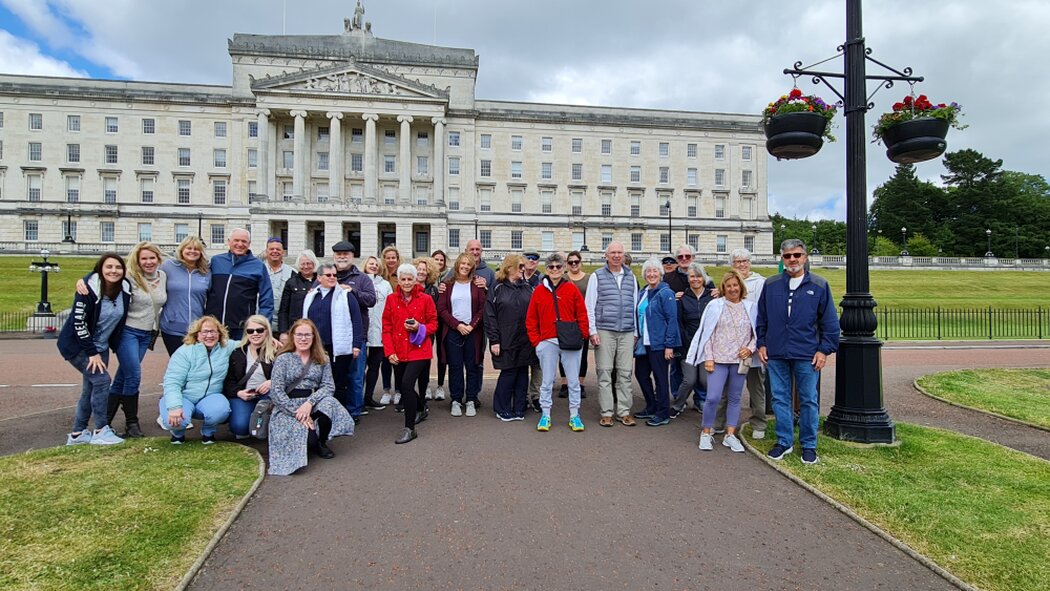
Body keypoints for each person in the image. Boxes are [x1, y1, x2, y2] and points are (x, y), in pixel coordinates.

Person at [757, 239, 840, 464]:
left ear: (804, 257)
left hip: (806, 352)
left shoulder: (819, 285)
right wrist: (762, 343)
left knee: (808, 400)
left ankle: (809, 444)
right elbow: (762, 317)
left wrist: (824, 350)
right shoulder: (772, 284)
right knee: (780, 398)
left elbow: (830, 322)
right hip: (777, 351)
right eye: (787, 256)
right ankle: (784, 441)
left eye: (796, 255)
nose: (792, 260)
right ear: (781, 259)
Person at [58, 253, 133, 446]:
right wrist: (92, 353)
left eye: (118, 267)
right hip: (78, 346)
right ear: (100, 269)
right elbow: (79, 323)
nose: (113, 271)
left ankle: (77, 434)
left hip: (101, 347)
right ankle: (101, 430)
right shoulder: (87, 289)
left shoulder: (125, 288)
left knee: (89, 388)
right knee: (102, 381)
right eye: (108, 267)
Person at [268, 319, 355, 475]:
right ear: (292, 336)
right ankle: (312, 438)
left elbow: (329, 386)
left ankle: (322, 441)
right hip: (287, 406)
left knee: (330, 403)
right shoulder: (283, 359)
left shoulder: (322, 359)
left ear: (314, 337)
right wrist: (298, 413)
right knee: (308, 441)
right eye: (299, 335)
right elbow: (276, 392)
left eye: (308, 335)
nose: (303, 339)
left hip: (310, 402)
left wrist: (310, 403)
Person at [686, 270, 757, 453]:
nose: (732, 289)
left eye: (735, 285)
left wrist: (750, 348)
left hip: (739, 360)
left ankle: (730, 434)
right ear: (723, 288)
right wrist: (708, 357)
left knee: (735, 398)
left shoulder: (750, 307)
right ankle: (706, 432)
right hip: (717, 359)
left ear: (741, 287)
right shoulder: (715, 305)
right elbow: (707, 334)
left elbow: (757, 333)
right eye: (728, 286)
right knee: (713, 397)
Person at [106, 242, 167, 438]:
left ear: (158, 259)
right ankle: (132, 423)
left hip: (147, 334)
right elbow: (104, 279)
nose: (148, 262)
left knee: (122, 377)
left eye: (152, 258)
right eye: (144, 259)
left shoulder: (163, 276)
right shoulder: (129, 277)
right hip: (128, 331)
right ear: (137, 261)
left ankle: (104, 421)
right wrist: (83, 281)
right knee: (133, 375)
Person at [526, 252, 590, 432]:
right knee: (547, 381)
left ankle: (574, 415)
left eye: (559, 267)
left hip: (570, 341)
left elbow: (582, 314)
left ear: (564, 269)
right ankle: (545, 414)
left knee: (573, 381)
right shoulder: (539, 291)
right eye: (551, 267)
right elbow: (531, 318)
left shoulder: (571, 289)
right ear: (546, 269)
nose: (555, 270)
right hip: (547, 341)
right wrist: (536, 342)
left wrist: (582, 335)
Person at [712, 248, 768, 438]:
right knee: (725, 390)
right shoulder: (727, 283)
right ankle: (719, 423)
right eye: (737, 262)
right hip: (729, 350)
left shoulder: (760, 283)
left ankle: (759, 423)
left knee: (756, 388)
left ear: (750, 263)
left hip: (751, 345)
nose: (741, 264)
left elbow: (763, 314)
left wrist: (757, 344)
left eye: (745, 261)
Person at [382, 264, 438, 444]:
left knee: (406, 385)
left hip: (419, 350)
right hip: (398, 351)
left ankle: (410, 428)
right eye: (403, 279)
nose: (406, 283)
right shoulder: (391, 299)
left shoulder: (426, 299)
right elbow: (387, 328)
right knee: (402, 384)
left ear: (416, 280)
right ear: (398, 280)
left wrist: (419, 327)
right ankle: (421, 408)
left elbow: (434, 324)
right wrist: (389, 351)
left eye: (410, 279)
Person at [585, 242, 639, 427]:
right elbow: (589, 306)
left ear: (624, 256)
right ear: (606, 255)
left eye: (619, 253)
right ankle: (607, 412)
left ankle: (624, 411)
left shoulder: (631, 277)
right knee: (605, 372)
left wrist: (636, 331)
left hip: (626, 330)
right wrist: (593, 331)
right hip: (605, 329)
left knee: (625, 373)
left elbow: (634, 306)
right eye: (613, 253)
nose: (616, 256)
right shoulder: (597, 276)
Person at [160, 316, 235, 444]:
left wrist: (270, 341)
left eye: (213, 331)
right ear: (197, 334)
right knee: (175, 420)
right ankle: (177, 434)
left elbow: (248, 342)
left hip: (210, 397)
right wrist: (174, 406)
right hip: (185, 397)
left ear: (220, 333)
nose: (209, 335)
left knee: (221, 410)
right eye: (205, 332)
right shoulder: (184, 352)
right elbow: (172, 382)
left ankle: (208, 433)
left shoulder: (225, 347)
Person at [304, 263, 365, 414]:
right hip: (316, 347)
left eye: (334, 275)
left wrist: (356, 344)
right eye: (328, 275)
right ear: (319, 277)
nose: (332, 278)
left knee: (339, 382)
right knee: (318, 381)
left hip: (338, 348)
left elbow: (357, 320)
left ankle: (339, 415)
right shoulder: (311, 295)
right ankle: (321, 414)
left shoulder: (346, 295)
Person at [485, 254, 536, 421]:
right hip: (505, 338)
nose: (524, 269)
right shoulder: (497, 288)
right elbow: (490, 316)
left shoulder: (527, 287)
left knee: (522, 373)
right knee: (508, 373)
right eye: (520, 266)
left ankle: (520, 407)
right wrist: (494, 340)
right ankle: (502, 408)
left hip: (525, 339)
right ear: (509, 268)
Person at [331, 241, 377, 422]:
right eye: (339, 254)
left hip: (356, 335)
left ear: (352, 256)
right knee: (334, 376)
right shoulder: (329, 274)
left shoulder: (362, 278)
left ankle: (353, 412)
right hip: (333, 335)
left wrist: (353, 291)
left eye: (346, 254)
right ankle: (335, 411)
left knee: (356, 376)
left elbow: (371, 299)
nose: (342, 257)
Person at [437, 252, 487, 417]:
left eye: (468, 264)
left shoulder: (477, 285)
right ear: (458, 264)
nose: (465, 267)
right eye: (462, 263)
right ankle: (456, 400)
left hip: (473, 331)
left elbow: (482, 308)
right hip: (453, 331)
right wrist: (457, 325)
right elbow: (442, 309)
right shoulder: (447, 285)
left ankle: (471, 399)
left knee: (472, 367)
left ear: (472, 267)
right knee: (455, 367)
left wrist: (471, 326)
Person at [633, 258, 681, 427]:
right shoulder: (643, 292)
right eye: (648, 271)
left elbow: (672, 319)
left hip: (659, 343)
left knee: (660, 378)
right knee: (641, 374)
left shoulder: (665, 293)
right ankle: (651, 405)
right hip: (644, 342)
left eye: (655, 271)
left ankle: (663, 412)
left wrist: (669, 345)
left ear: (660, 274)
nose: (651, 274)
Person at [204, 228, 273, 340]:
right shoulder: (216, 261)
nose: (240, 244)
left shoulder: (258, 266)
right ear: (229, 242)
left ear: (249, 244)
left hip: (241, 328)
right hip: (214, 326)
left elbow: (266, 298)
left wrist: (262, 325)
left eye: (244, 241)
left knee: (239, 357)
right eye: (236, 240)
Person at [671, 263, 715, 417]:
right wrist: (686, 343)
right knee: (689, 380)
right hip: (688, 347)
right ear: (688, 279)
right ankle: (677, 405)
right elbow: (679, 323)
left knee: (705, 380)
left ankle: (714, 406)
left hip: (707, 347)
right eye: (692, 276)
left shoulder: (713, 297)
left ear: (704, 278)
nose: (695, 279)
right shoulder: (682, 298)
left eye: (698, 276)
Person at [223, 314, 278, 439]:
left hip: (267, 395)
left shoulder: (276, 351)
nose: (255, 334)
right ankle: (250, 419)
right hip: (244, 395)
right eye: (250, 331)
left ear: (267, 331)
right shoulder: (238, 353)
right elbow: (229, 381)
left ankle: (266, 425)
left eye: (259, 330)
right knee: (240, 427)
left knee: (266, 415)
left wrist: (272, 382)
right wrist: (239, 393)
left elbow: (288, 376)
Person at [159, 236, 211, 355]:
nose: (192, 251)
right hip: (172, 327)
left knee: (195, 364)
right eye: (188, 248)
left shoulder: (206, 272)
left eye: (196, 249)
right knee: (177, 363)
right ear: (182, 250)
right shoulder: (168, 266)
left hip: (197, 329)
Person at [559, 250, 590, 400]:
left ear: (580, 262)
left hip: (581, 321)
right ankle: (565, 383)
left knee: (582, 354)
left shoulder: (588, 279)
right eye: (570, 262)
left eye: (576, 262)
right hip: (565, 321)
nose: (573, 265)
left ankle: (580, 383)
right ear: (567, 264)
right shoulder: (562, 278)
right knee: (563, 353)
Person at [363, 256, 393, 409]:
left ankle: (368, 396)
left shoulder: (386, 285)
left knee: (375, 366)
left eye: (376, 264)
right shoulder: (361, 281)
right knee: (360, 368)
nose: (374, 266)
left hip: (380, 330)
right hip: (362, 331)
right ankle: (358, 399)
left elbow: (390, 308)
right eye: (371, 263)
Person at [413, 256, 439, 405]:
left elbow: (434, 314)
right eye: (419, 269)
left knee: (424, 363)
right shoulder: (407, 285)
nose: (421, 272)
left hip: (426, 332)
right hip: (409, 331)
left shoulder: (433, 290)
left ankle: (423, 394)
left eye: (424, 269)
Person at [277, 249, 319, 340]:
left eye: (309, 263)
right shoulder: (291, 283)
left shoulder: (321, 282)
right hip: (296, 329)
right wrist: (283, 332)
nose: (306, 266)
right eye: (303, 264)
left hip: (317, 329)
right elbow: (283, 310)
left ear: (314, 264)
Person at [429, 249, 450, 400]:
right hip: (428, 322)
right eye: (436, 259)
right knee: (425, 354)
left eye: (441, 260)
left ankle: (441, 386)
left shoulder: (448, 278)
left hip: (442, 321)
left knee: (442, 354)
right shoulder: (427, 278)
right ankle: (427, 386)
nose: (439, 262)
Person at [265, 237, 294, 332]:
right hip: (262, 324)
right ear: (266, 251)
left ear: (283, 252)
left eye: (278, 249)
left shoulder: (292, 272)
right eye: (271, 249)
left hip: (284, 325)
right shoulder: (258, 270)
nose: (275, 251)